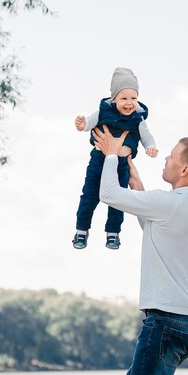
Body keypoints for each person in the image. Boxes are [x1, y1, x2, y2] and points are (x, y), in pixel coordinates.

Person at [93, 125, 188, 375]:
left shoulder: (169, 204)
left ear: (184, 169)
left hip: (167, 320)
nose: (166, 159)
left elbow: (109, 194)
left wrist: (111, 155)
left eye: (171, 157)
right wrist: (140, 191)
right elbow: (157, 226)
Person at [72, 67, 158, 250]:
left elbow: (147, 137)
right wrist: (82, 124)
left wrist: (150, 147)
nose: (129, 103)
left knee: (119, 199)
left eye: (133, 98)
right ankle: (81, 230)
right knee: (89, 196)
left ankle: (113, 233)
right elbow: (89, 123)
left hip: (121, 165)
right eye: (124, 98)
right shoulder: (103, 111)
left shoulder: (138, 118)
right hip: (98, 161)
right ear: (114, 99)